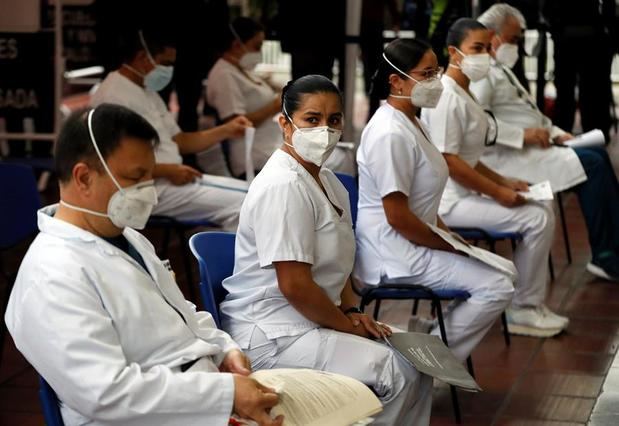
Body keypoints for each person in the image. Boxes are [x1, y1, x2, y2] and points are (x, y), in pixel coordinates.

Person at [5, 104, 282, 426]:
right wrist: (222, 393)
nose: (148, 192)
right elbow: (106, 393)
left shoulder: (128, 238)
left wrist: (224, 350)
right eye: (135, 178)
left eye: (149, 176)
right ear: (83, 177)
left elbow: (182, 313)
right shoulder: (51, 275)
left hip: (198, 395)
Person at [219, 75, 433, 426]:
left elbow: (340, 265)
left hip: (308, 318)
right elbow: (295, 286)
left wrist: (351, 309)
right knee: (398, 372)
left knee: (418, 362)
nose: (325, 130)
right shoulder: (283, 185)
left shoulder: (329, 181)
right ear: (285, 125)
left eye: (334, 120)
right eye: (312, 120)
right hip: (272, 332)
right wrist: (349, 328)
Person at [355, 38, 514, 362]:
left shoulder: (412, 120)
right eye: (426, 74)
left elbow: (422, 201)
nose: (435, 82)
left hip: (414, 240)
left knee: (504, 270)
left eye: (436, 72)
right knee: (497, 284)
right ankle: (428, 364)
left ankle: (431, 339)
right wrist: (446, 245)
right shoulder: (389, 134)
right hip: (393, 253)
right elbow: (397, 215)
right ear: (396, 81)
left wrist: (446, 234)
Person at [421, 18, 569, 338]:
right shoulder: (447, 96)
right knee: (536, 218)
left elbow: (470, 159)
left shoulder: (464, 92)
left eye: (488, 47)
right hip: (448, 204)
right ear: (453, 52)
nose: (486, 55)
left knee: (541, 208)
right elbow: (450, 161)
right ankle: (524, 309)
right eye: (477, 48)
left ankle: (528, 304)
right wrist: (497, 192)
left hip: (465, 194)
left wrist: (503, 181)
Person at [472, 4, 619, 280]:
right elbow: (477, 123)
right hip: (509, 157)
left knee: (596, 155)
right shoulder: (481, 74)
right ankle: (605, 254)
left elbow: (530, 113)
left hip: (532, 148)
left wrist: (556, 133)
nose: (516, 46)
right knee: (593, 166)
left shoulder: (500, 68)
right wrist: (522, 136)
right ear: (492, 36)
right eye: (513, 39)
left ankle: (613, 247)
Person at [91, 29, 251, 231]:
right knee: (247, 206)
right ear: (142, 57)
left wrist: (226, 130)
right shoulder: (113, 96)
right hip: (143, 189)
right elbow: (113, 164)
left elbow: (179, 141)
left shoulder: (146, 91)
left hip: (170, 181)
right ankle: (231, 260)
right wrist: (167, 170)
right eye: (165, 63)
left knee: (257, 195)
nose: (169, 70)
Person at [207, 17, 282, 178]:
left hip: (270, 144)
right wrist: (276, 105)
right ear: (236, 45)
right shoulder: (224, 75)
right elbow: (236, 124)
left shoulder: (241, 69)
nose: (259, 53)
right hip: (254, 155)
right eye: (257, 46)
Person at [544, 0, 616, 141]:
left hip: (569, 36)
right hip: (591, 36)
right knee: (589, 93)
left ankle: (563, 135)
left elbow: (548, 9)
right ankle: (594, 136)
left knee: (568, 92)